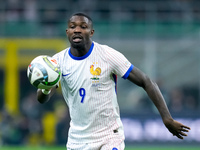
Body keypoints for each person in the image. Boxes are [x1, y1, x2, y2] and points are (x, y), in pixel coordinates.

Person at [37, 12, 190, 150]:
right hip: (77, 139)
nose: (77, 30)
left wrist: (167, 118)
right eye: (72, 26)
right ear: (67, 32)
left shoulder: (107, 55)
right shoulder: (57, 62)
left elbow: (146, 81)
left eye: (83, 27)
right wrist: (45, 87)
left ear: (91, 32)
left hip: (109, 136)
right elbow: (42, 98)